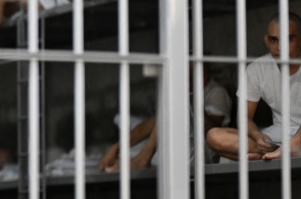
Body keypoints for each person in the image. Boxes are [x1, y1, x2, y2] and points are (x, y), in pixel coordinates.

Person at [97, 65, 231, 172]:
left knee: (175, 100)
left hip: (204, 155)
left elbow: (212, 131)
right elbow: (153, 123)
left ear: (201, 74)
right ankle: (141, 157)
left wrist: (190, 102)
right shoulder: (186, 93)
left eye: (186, 75)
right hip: (182, 149)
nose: (183, 80)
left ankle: (144, 157)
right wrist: (116, 147)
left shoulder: (216, 92)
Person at [206, 12, 301, 161]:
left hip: (299, 139)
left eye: (288, 39)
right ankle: (272, 152)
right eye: (273, 40)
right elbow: (244, 117)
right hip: (277, 137)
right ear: (266, 41)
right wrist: (258, 137)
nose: (280, 47)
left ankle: (285, 152)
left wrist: (295, 143)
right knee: (215, 136)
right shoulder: (257, 68)